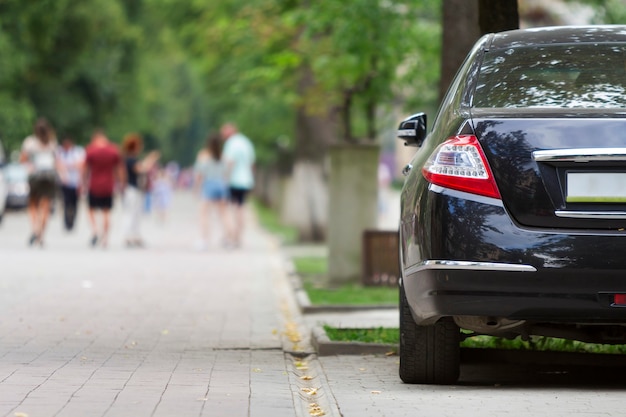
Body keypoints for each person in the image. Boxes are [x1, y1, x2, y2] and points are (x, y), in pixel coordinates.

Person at [82, 129, 125, 248]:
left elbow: (85, 168)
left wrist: (83, 182)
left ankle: (96, 230)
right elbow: (119, 169)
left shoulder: (91, 150)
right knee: (107, 212)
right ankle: (105, 238)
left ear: (95, 138)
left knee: (91, 209)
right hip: (109, 185)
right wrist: (121, 183)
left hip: (94, 185)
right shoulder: (114, 150)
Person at [20, 117, 59, 247]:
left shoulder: (30, 142)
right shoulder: (52, 142)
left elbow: (23, 159)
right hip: (49, 176)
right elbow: (56, 162)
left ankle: (35, 228)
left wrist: (30, 165)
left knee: (33, 204)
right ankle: (41, 234)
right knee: (46, 207)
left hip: (35, 177)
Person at [121, 133, 160, 247]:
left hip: (137, 190)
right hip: (132, 189)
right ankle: (127, 235)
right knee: (130, 213)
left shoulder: (131, 159)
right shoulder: (130, 160)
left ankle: (135, 235)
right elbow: (142, 169)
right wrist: (150, 159)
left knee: (137, 213)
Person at [220, 123, 255, 248]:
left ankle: (231, 235)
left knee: (228, 208)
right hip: (246, 180)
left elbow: (229, 162)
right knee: (241, 208)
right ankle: (238, 237)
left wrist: (224, 176)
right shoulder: (246, 142)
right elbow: (252, 162)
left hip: (233, 180)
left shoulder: (231, 143)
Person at [194, 134, 230, 250]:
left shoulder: (203, 155)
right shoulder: (223, 156)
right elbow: (227, 172)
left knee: (204, 214)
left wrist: (197, 187)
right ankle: (228, 239)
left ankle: (204, 240)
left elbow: (199, 173)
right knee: (223, 214)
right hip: (221, 184)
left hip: (209, 184)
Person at [56, 137, 85, 231]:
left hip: (75, 182)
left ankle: (72, 221)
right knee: (65, 203)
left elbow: (81, 165)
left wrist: (68, 166)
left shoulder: (78, 152)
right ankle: (66, 222)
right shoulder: (60, 152)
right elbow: (57, 164)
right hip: (64, 182)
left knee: (74, 203)